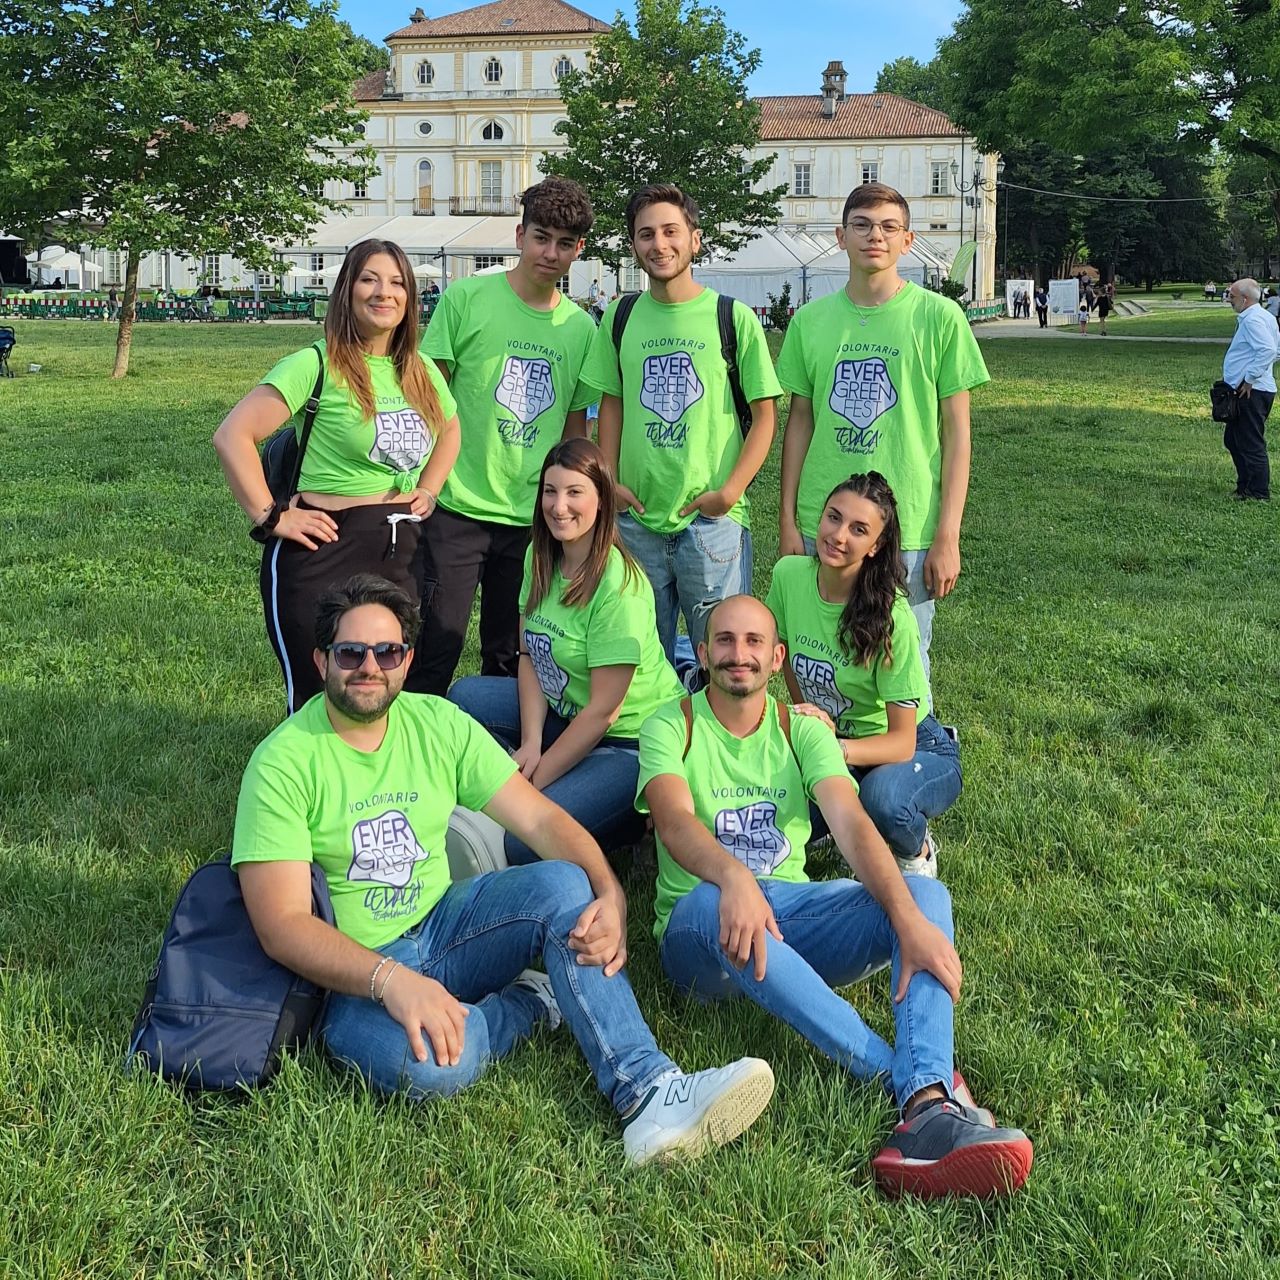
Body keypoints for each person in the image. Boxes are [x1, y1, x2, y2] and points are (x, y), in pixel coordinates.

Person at [231, 573, 776, 1164]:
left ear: (407, 660)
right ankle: (527, 1003)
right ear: (321, 660)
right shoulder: (283, 761)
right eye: (350, 653)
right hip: (350, 974)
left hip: (445, 922)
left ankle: (649, 1091)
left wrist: (609, 888)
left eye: (386, 652)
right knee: (436, 1067)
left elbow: (542, 821)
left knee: (569, 885)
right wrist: (392, 982)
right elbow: (281, 924)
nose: (369, 666)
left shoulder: (435, 723)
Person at [635, 593, 1033, 1199]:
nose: (737, 655)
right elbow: (672, 821)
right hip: (698, 931)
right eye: (724, 641)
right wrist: (735, 879)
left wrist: (908, 918)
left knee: (924, 897)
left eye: (753, 644)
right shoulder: (672, 723)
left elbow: (849, 823)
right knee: (723, 906)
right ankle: (906, 1084)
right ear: (704, 651)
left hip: (789, 915)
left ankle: (926, 1099)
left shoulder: (800, 729)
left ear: (777, 659)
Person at [214, 238, 460, 714]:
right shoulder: (318, 362)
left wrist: (429, 487)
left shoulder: (419, 369)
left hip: (401, 552)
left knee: (385, 690)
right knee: (318, 690)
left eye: (396, 283)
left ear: (410, 296)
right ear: (347, 290)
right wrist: (272, 516)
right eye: (369, 279)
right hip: (325, 550)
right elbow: (233, 436)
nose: (382, 293)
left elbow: (450, 428)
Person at [776, 182, 988, 694]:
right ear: (840, 236)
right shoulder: (809, 322)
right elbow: (798, 422)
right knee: (815, 645)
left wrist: (948, 535)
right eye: (862, 225)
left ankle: (908, 759)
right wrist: (786, 518)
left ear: (908, 240)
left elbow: (958, 434)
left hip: (909, 524)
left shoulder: (939, 318)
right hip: (821, 516)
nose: (876, 236)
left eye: (889, 227)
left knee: (904, 650)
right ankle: (820, 748)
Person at [449, 438, 683, 864]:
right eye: (550, 491)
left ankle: (635, 822)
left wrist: (532, 783)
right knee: (464, 699)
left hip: (630, 740)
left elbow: (602, 713)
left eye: (575, 492)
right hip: (567, 711)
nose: (559, 507)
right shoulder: (539, 558)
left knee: (523, 839)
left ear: (602, 500)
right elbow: (529, 656)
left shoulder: (620, 587)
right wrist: (533, 743)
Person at [583, 182, 782, 662]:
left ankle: (712, 739)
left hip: (711, 523)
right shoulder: (620, 316)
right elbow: (611, 404)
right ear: (633, 245)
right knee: (640, 660)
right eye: (645, 234)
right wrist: (609, 485)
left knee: (723, 658)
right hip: (636, 521)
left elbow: (765, 418)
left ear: (695, 238)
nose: (659, 244)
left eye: (671, 231)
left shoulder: (731, 317)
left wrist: (730, 492)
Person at [416, 177, 599, 695]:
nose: (551, 252)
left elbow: (573, 428)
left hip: (535, 518)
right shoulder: (467, 299)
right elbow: (431, 398)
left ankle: (498, 760)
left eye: (565, 243)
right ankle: (416, 750)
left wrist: (571, 503)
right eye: (541, 237)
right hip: (457, 505)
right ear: (519, 234)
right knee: (436, 642)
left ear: (579, 250)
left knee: (514, 651)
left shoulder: (581, 330)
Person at [766, 473, 961, 878]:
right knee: (772, 810)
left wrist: (836, 750)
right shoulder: (789, 576)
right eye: (833, 518)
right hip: (836, 737)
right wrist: (809, 719)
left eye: (858, 530)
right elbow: (784, 654)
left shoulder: (893, 618)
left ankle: (916, 851)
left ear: (876, 547)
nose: (838, 535)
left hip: (908, 745)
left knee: (884, 800)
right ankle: (846, 821)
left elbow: (901, 741)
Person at [1222, 278, 1279, 501]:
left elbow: (1267, 349)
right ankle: (1245, 485)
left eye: (1232, 296)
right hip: (1250, 389)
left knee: (1250, 442)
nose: (1229, 300)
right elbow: (1277, 349)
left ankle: (1258, 492)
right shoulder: (1265, 316)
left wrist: (1250, 378)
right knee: (1234, 440)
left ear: (1245, 299)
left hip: (1251, 392)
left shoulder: (1253, 319)